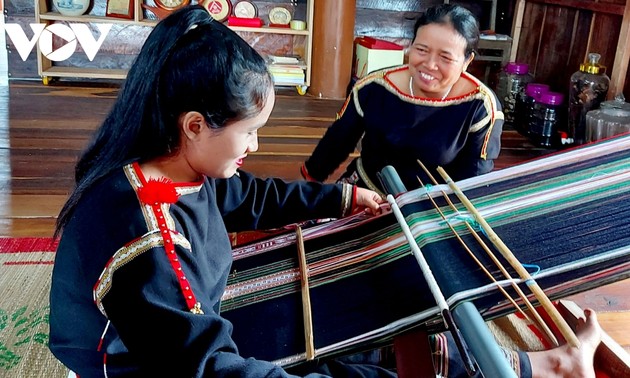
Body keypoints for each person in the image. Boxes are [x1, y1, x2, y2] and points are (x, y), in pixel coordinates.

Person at [48, 5, 602, 378]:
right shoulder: (150, 249)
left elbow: (246, 197)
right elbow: (208, 367)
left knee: (372, 344)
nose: (256, 146)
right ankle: (548, 369)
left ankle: (538, 366)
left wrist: (341, 199)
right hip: (131, 360)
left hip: (181, 325)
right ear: (195, 124)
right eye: (248, 132)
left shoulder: (167, 165)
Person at [301, 4, 503, 195]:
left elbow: (474, 178)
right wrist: (309, 188)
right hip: (368, 191)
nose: (429, 65)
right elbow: (338, 141)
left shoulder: (480, 106)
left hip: (433, 208)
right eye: (422, 50)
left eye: (445, 57)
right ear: (411, 46)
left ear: (467, 61)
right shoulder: (374, 88)